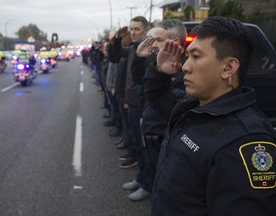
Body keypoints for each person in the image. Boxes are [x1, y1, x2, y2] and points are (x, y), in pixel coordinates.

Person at [151, 16, 276, 215]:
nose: (184, 66)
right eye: (187, 56)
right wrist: (159, 72)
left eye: (196, 57)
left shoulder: (244, 140)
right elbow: (155, 99)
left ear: (228, 68)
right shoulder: (192, 107)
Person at [135, 19, 187, 192]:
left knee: (165, 185)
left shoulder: (182, 69)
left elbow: (158, 100)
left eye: (158, 40)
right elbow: (140, 84)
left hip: (164, 137)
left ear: (175, 43)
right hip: (151, 131)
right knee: (154, 177)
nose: (153, 44)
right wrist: (140, 58)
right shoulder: (156, 62)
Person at [112, 16, 151, 201]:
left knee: (145, 148)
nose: (133, 32)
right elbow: (115, 54)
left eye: (137, 29)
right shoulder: (133, 48)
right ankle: (141, 179)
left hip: (141, 106)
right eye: (131, 29)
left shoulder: (148, 50)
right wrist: (118, 38)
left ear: (146, 30)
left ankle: (147, 185)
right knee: (137, 144)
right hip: (131, 103)